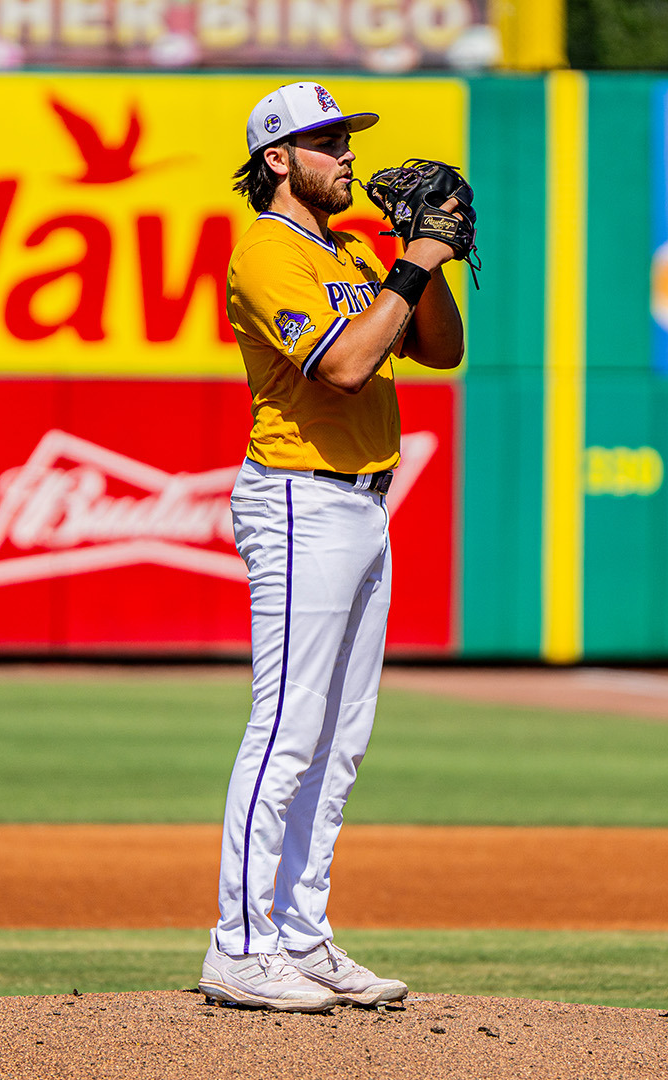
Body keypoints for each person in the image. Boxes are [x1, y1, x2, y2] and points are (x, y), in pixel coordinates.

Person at [198, 81, 467, 1012]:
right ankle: (239, 944)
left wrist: (424, 257)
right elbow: (348, 367)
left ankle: (301, 933)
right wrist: (411, 263)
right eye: (328, 142)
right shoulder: (266, 254)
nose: (349, 155)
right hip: (297, 497)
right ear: (279, 159)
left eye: (348, 138)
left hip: (365, 499)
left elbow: (441, 350)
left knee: (341, 739)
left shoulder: (351, 251)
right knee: (288, 725)